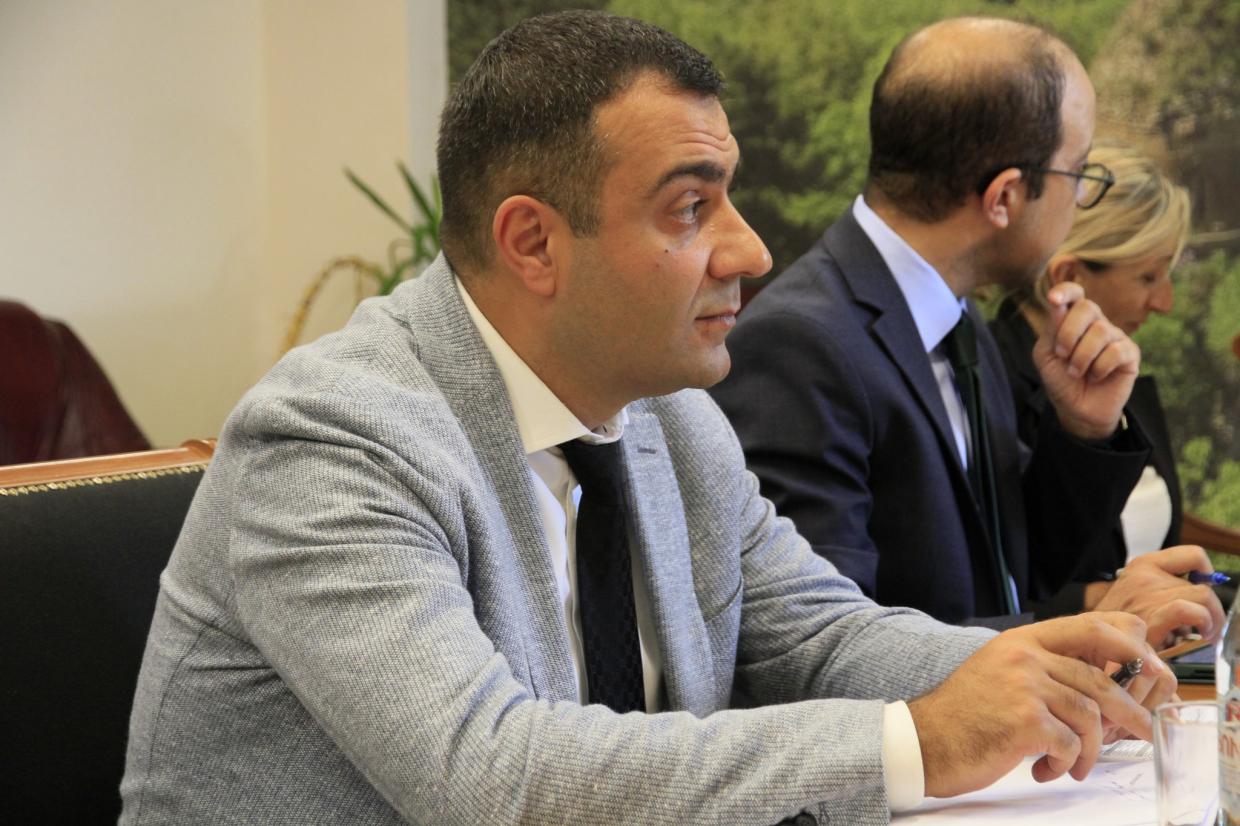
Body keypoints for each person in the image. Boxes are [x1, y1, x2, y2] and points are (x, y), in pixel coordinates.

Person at [121, 12, 1175, 826]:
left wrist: (1050, 675)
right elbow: (490, 776)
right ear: (533, 243)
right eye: (690, 206)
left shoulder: (672, 417)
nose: (751, 250)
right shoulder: (332, 438)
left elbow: (820, 635)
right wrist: (915, 743)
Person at [711, 18, 1223, 644]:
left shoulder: (956, 316)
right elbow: (823, 647)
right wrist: (1090, 624)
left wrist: (1084, 429)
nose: (1081, 201)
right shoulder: (801, 345)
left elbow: (1017, 573)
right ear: (1004, 197)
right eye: (1080, 174)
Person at [990, 145, 1192, 611]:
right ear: (1068, 275)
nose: (1165, 303)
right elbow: (980, 584)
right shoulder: (984, 387)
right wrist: (1097, 601)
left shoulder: (1125, 382)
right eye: (1148, 278)